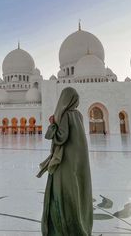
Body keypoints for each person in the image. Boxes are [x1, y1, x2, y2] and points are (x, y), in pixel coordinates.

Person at [37, 87, 93, 236]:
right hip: (78, 161)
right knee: (77, 190)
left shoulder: (65, 115)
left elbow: (59, 137)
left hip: (64, 161)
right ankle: (81, 223)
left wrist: (53, 123)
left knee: (62, 192)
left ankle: (62, 228)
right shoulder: (79, 115)